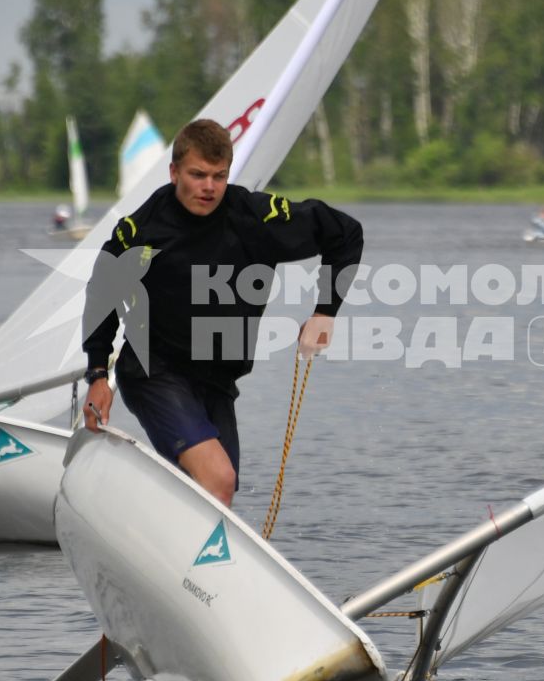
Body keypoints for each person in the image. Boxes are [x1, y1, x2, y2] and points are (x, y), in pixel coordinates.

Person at [80, 119, 363, 506]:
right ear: (174, 171)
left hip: (217, 384)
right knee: (219, 478)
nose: (209, 187)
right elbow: (102, 294)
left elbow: (345, 233)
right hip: (154, 372)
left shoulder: (254, 217)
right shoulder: (143, 230)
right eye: (198, 175)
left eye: (219, 176)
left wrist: (325, 312)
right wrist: (98, 374)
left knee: (216, 497)